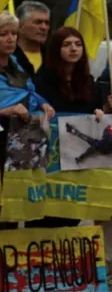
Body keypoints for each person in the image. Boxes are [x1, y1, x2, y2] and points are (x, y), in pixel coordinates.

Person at [0, 12, 54, 231]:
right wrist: (4, 111)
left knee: (21, 202)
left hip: (23, 141)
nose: (11, 39)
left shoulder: (17, 65)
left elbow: (30, 92)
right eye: (3, 34)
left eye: (14, 34)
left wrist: (43, 104)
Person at [29, 27, 112, 228]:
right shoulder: (41, 81)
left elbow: (94, 111)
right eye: (67, 45)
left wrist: (102, 111)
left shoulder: (88, 81)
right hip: (53, 158)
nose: (73, 49)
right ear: (56, 49)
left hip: (77, 162)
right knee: (49, 213)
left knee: (72, 212)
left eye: (78, 44)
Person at [14, 0, 51, 77]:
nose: (44, 27)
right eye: (38, 22)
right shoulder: (5, 56)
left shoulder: (54, 58)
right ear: (20, 26)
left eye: (47, 23)